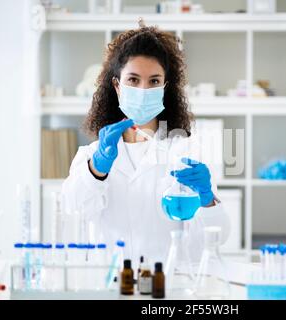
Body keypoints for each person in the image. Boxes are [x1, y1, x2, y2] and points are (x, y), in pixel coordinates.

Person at [61, 21, 230, 264]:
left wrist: (207, 199)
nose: (143, 89)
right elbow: (72, 211)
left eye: (153, 81)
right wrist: (96, 170)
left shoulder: (185, 151)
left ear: (164, 87)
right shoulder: (93, 155)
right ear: (117, 86)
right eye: (133, 80)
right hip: (112, 284)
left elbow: (218, 237)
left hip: (168, 287)